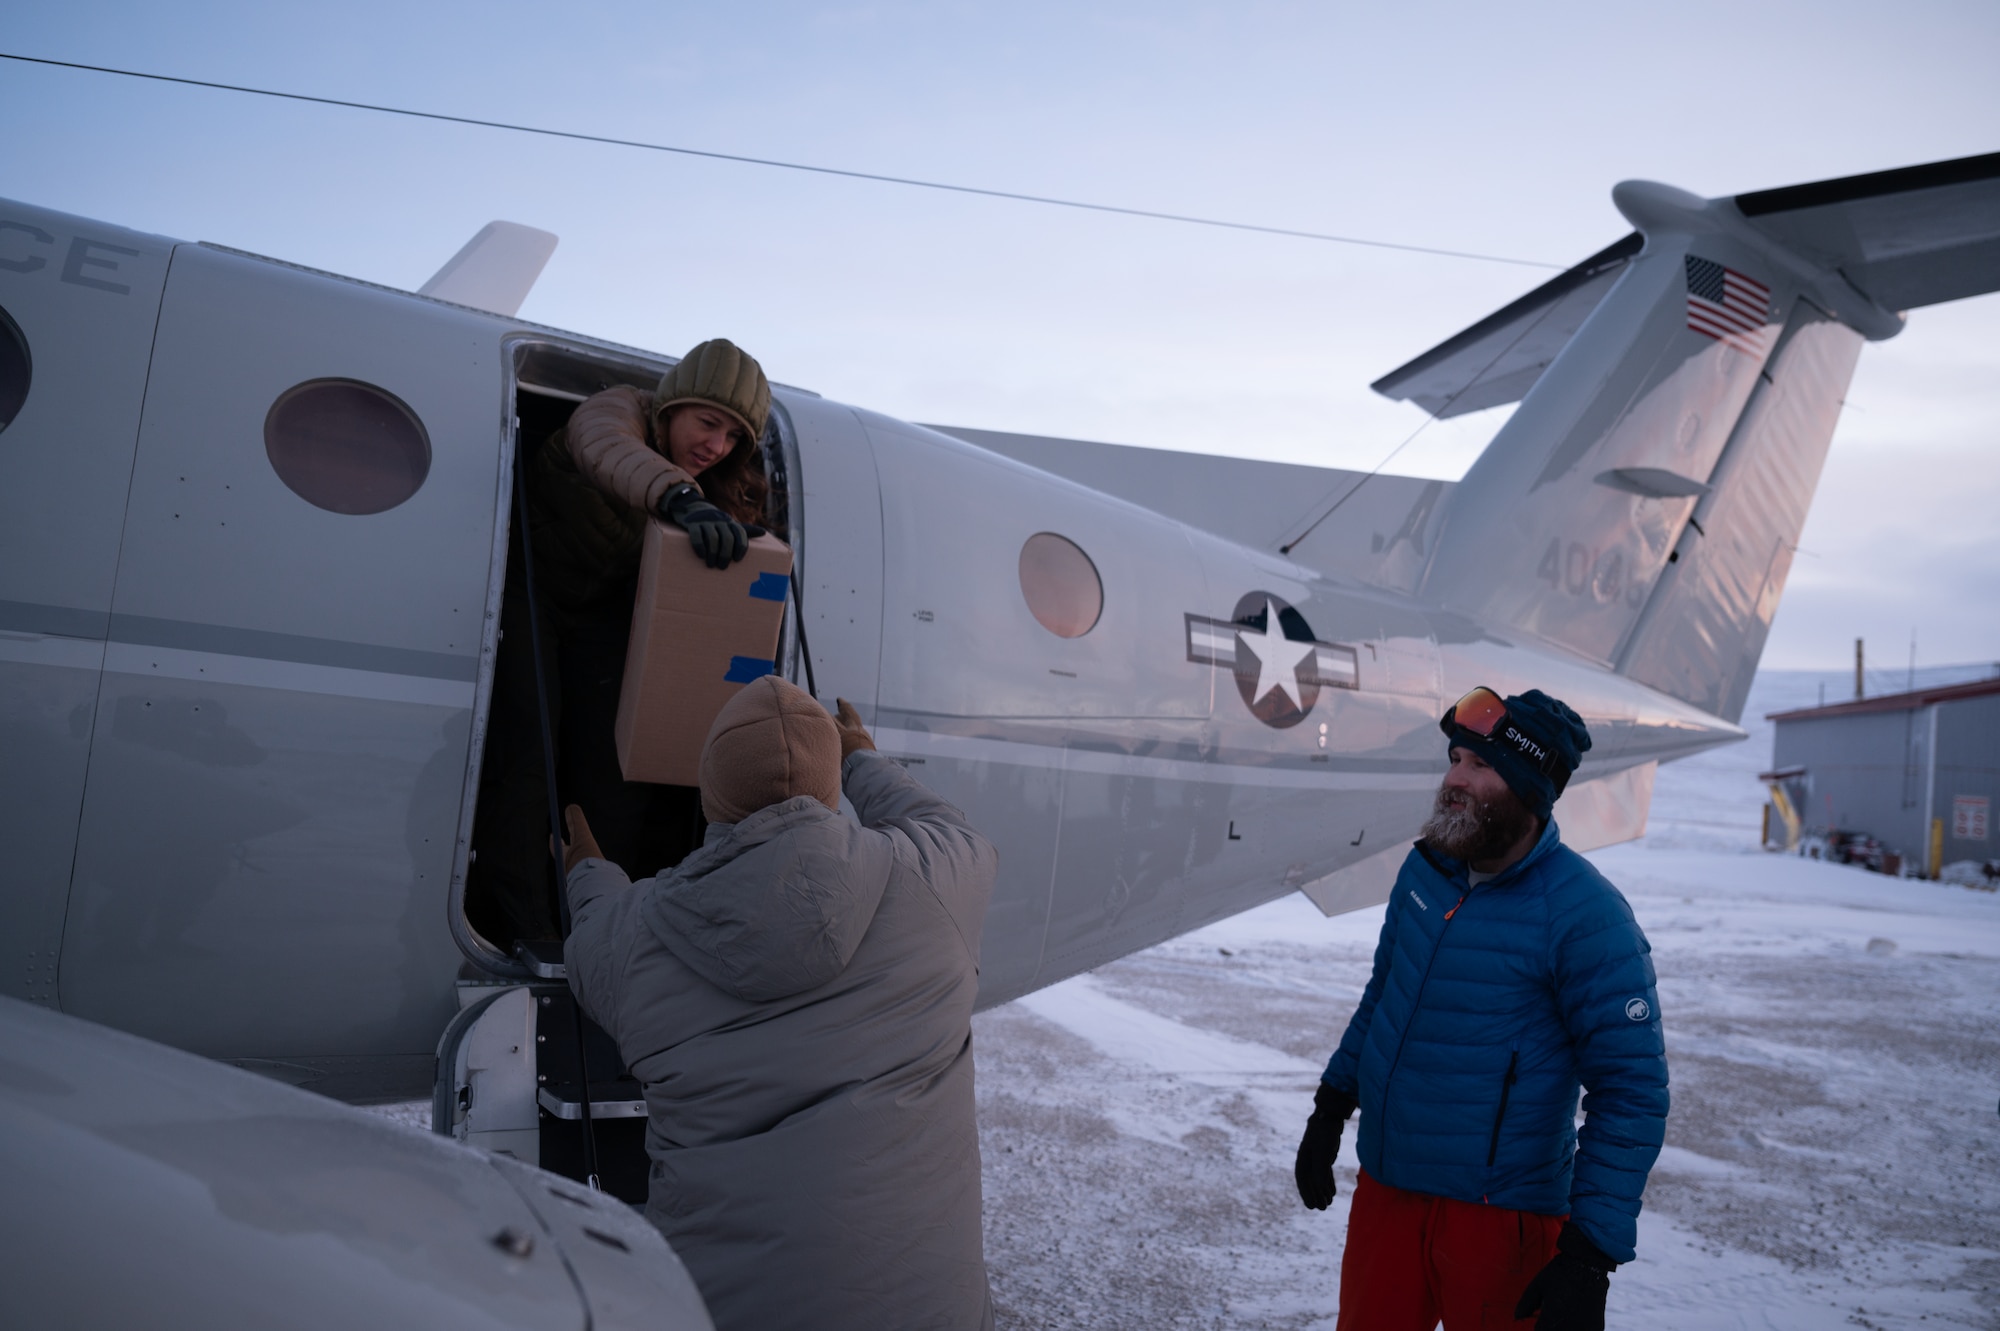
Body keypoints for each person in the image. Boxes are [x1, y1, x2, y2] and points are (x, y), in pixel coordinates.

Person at [559, 676, 998, 1331]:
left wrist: (585, 869)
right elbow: (943, 823)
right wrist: (861, 759)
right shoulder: (934, 886)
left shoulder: (637, 939)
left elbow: (592, 935)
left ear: (711, 796)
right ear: (827, 791)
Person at [1294, 688, 1668, 1331]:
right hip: (1388, 1195)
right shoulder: (1424, 873)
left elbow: (1631, 1089)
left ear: (1529, 789)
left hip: (1502, 1222)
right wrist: (1331, 1105)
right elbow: (1384, 995)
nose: (1454, 779)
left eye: (1479, 766)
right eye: (1456, 758)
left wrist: (1590, 1252)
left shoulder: (1586, 918)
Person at [467, 338, 773, 947]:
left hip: (601, 621)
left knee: (616, 774)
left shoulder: (709, 486)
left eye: (734, 437)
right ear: (670, 407)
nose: (716, 445)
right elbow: (608, 452)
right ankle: (519, 924)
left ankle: (604, 923)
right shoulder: (615, 413)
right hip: (535, 597)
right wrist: (682, 501)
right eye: (708, 422)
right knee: (528, 754)